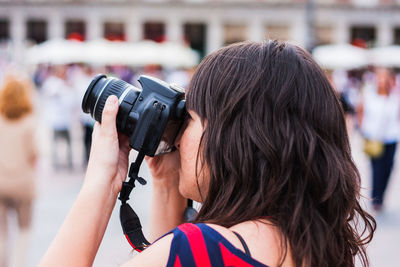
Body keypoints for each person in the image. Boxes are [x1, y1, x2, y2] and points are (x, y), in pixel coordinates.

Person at [40, 41, 375, 267]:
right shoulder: (318, 246)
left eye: (191, 119)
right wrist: (168, 183)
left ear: (231, 139)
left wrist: (102, 181)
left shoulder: (202, 250)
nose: (180, 136)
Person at [0, 77, 38, 267]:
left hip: (0, 183)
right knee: (24, 230)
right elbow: (35, 153)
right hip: (23, 184)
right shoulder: (28, 123)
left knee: (2, 232)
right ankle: (18, 263)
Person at [358, 67, 400, 212]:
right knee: (377, 169)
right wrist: (363, 128)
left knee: (388, 168)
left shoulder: (394, 97)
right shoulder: (369, 95)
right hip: (373, 137)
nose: (382, 81)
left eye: (384, 78)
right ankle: (376, 199)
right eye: (380, 78)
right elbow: (360, 111)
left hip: (391, 138)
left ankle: (381, 195)